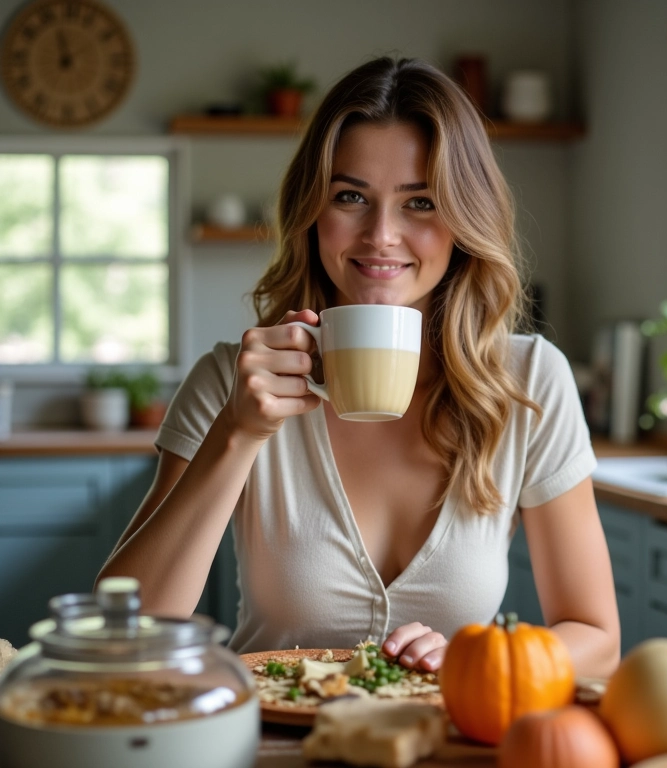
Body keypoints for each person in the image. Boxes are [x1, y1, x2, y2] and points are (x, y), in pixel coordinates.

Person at [98, 56, 620, 678]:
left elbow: (596, 635)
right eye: (350, 197)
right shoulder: (232, 381)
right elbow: (120, 641)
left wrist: (485, 661)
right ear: (312, 214)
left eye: (420, 202)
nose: (381, 235)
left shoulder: (530, 379)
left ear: (464, 221)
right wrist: (237, 434)